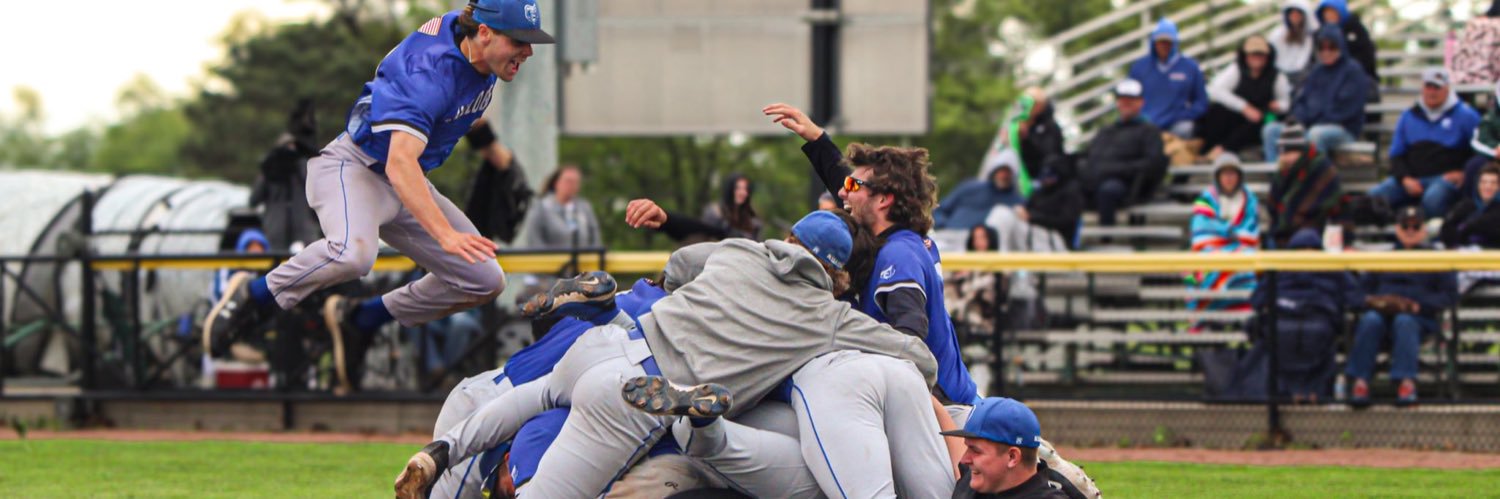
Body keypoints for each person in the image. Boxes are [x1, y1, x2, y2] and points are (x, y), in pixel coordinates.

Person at [399, 211, 943, 498]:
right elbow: (918, 357)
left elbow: (680, 264)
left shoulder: (738, 251)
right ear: (836, 275)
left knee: (535, 394)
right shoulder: (827, 316)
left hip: (613, 339)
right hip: (641, 393)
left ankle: (441, 451)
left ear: (791, 239)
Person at [202, 1, 552, 373]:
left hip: (405, 177)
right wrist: (445, 235)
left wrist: (497, 156)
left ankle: (360, 320)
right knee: (353, 254)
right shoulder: (428, 73)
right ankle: (254, 296)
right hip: (354, 168)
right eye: (519, 41)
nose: (527, 51)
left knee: (484, 279)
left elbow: (458, 112)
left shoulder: (476, 51)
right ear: (484, 33)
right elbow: (401, 162)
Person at [763, 102, 982, 414]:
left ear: (884, 200)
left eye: (853, 185)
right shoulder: (896, 238)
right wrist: (817, 141)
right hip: (934, 399)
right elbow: (855, 193)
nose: (842, 193)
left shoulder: (899, 254)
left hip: (941, 408)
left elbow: (910, 342)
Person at [1346, 206, 1459, 407]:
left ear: (1424, 230)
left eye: (1415, 226)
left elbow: (1449, 296)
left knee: (1404, 321)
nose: (1410, 231)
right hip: (1382, 316)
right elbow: (1357, 294)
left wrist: (1420, 306)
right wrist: (1372, 301)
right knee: (1370, 320)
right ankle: (1360, 383)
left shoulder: (1436, 259)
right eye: (1405, 226)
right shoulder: (1384, 258)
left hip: (1419, 319)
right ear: (1397, 229)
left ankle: (1406, 383)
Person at [1248, 228, 1363, 403]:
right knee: (1279, 334)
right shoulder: (1279, 269)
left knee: (1317, 333)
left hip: (1319, 318)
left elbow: (1355, 299)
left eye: (1311, 250)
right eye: (1301, 249)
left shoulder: (1333, 270)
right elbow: (1257, 300)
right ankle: (1284, 394)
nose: (1306, 254)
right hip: (1282, 318)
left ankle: (1314, 393)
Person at [1367, 69, 1481, 218]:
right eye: (1428, 87)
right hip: (1411, 178)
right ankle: (1388, 234)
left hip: (1444, 179)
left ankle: (1434, 234)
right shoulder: (1408, 116)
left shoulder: (1466, 115)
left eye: (1437, 87)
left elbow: (1479, 150)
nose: (1432, 92)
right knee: (1372, 197)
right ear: (1422, 88)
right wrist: (1405, 178)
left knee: (1433, 198)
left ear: (1447, 89)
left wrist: (1463, 172)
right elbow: (1396, 154)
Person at [1262, 24, 1370, 162]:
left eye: (1332, 47)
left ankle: (1315, 179)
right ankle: (1278, 179)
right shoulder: (1315, 72)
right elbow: (1301, 101)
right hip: (1310, 126)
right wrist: (1298, 120)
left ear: (1341, 47)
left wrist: (1313, 122)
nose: (1326, 52)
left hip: (1343, 129)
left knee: (1316, 134)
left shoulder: (1353, 71)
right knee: (1271, 130)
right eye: (1321, 48)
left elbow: (1345, 110)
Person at [942, 397, 1069, 499]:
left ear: (1012, 457)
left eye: (975, 450)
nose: (965, 459)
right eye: (967, 448)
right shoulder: (978, 480)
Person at [1083, 79, 1169, 227]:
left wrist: (1117, 169)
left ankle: (1106, 238)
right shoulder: (1106, 130)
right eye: (1123, 100)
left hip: (1128, 185)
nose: (1125, 105)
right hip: (1099, 179)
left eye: (1130, 101)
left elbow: (1153, 163)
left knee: (1108, 190)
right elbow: (1091, 156)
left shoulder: (1149, 131)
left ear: (1140, 103)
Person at [1185, 154, 1259, 321]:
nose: (1229, 178)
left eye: (1233, 173)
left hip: (1242, 248)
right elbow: (1201, 229)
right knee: (1204, 266)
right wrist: (1226, 232)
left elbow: (1250, 231)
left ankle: (1244, 317)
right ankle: (1207, 318)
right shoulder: (1206, 199)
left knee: (1246, 262)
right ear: (1217, 177)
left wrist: (1235, 237)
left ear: (1239, 176)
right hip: (1211, 248)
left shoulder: (1250, 200)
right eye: (1224, 174)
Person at [1197, 36, 1292, 157]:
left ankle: (1224, 149)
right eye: (1253, 54)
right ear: (1246, 56)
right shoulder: (1236, 70)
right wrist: (1244, 107)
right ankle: (1206, 148)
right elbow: (1214, 90)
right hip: (1239, 115)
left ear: (1267, 56)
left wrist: (1278, 105)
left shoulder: (1277, 76)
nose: (1256, 58)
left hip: (1265, 116)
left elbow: (1286, 102)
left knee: (1263, 120)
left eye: (1260, 54)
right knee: (1217, 111)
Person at [1127, 18, 1209, 138]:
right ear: (1154, 43)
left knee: (1186, 128)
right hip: (1145, 125)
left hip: (1176, 126)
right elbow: (1128, 98)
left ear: (1175, 43)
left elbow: (1201, 102)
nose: (1164, 46)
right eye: (1160, 42)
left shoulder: (1190, 67)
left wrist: (1182, 115)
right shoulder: (1140, 67)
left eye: (1168, 42)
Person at [1267, 124, 1344, 247]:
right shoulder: (1281, 174)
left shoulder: (1321, 169)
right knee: (1271, 241)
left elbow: (1332, 206)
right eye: (1284, 154)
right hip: (1283, 232)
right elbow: (1273, 206)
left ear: (1300, 151)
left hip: (1316, 230)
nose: (1286, 158)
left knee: (1305, 238)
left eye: (1290, 153)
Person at [986, 87, 1067, 198]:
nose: (1027, 107)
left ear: (1040, 106)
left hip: (1038, 178)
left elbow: (1050, 155)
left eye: (1031, 103)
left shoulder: (1050, 128)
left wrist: (1027, 139)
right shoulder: (1014, 124)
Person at [935, 149, 1026, 230]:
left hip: (987, 247)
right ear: (994, 171)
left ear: (1013, 174)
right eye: (1001, 171)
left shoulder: (1019, 203)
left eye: (1007, 172)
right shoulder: (969, 188)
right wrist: (944, 226)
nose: (1003, 175)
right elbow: (939, 210)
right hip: (949, 237)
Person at [522, 165, 602, 249]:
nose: (572, 186)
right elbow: (534, 239)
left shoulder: (585, 208)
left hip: (583, 260)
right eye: (568, 181)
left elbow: (595, 237)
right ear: (556, 183)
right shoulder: (541, 208)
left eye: (576, 182)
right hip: (552, 260)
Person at [1315, 0, 1379, 84]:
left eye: (1332, 12)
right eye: (1326, 12)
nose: (1329, 16)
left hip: (1356, 77)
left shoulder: (1356, 29)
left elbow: (1367, 54)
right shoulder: (1320, 33)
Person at [1442, 163, 1500, 249]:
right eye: (1483, 182)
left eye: (1493, 183)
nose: (1488, 186)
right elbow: (1447, 228)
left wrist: (1467, 227)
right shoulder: (1465, 206)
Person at [1267, 1, 1320, 85]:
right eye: (1292, 13)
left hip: (1303, 78)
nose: (1295, 16)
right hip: (1278, 77)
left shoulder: (1310, 38)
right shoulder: (1276, 35)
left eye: (1298, 13)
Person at [1462, 82, 1500, 200]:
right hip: (1495, 156)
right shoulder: (1491, 116)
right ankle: (1472, 205)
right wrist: (1496, 149)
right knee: (1474, 164)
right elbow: (1478, 141)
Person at [700, 173, 763, 240]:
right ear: (730, 189)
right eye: (738, 188)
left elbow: (758, 241)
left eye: (745, 189)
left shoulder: (752, 217)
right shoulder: (714, 212)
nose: (742, 193)